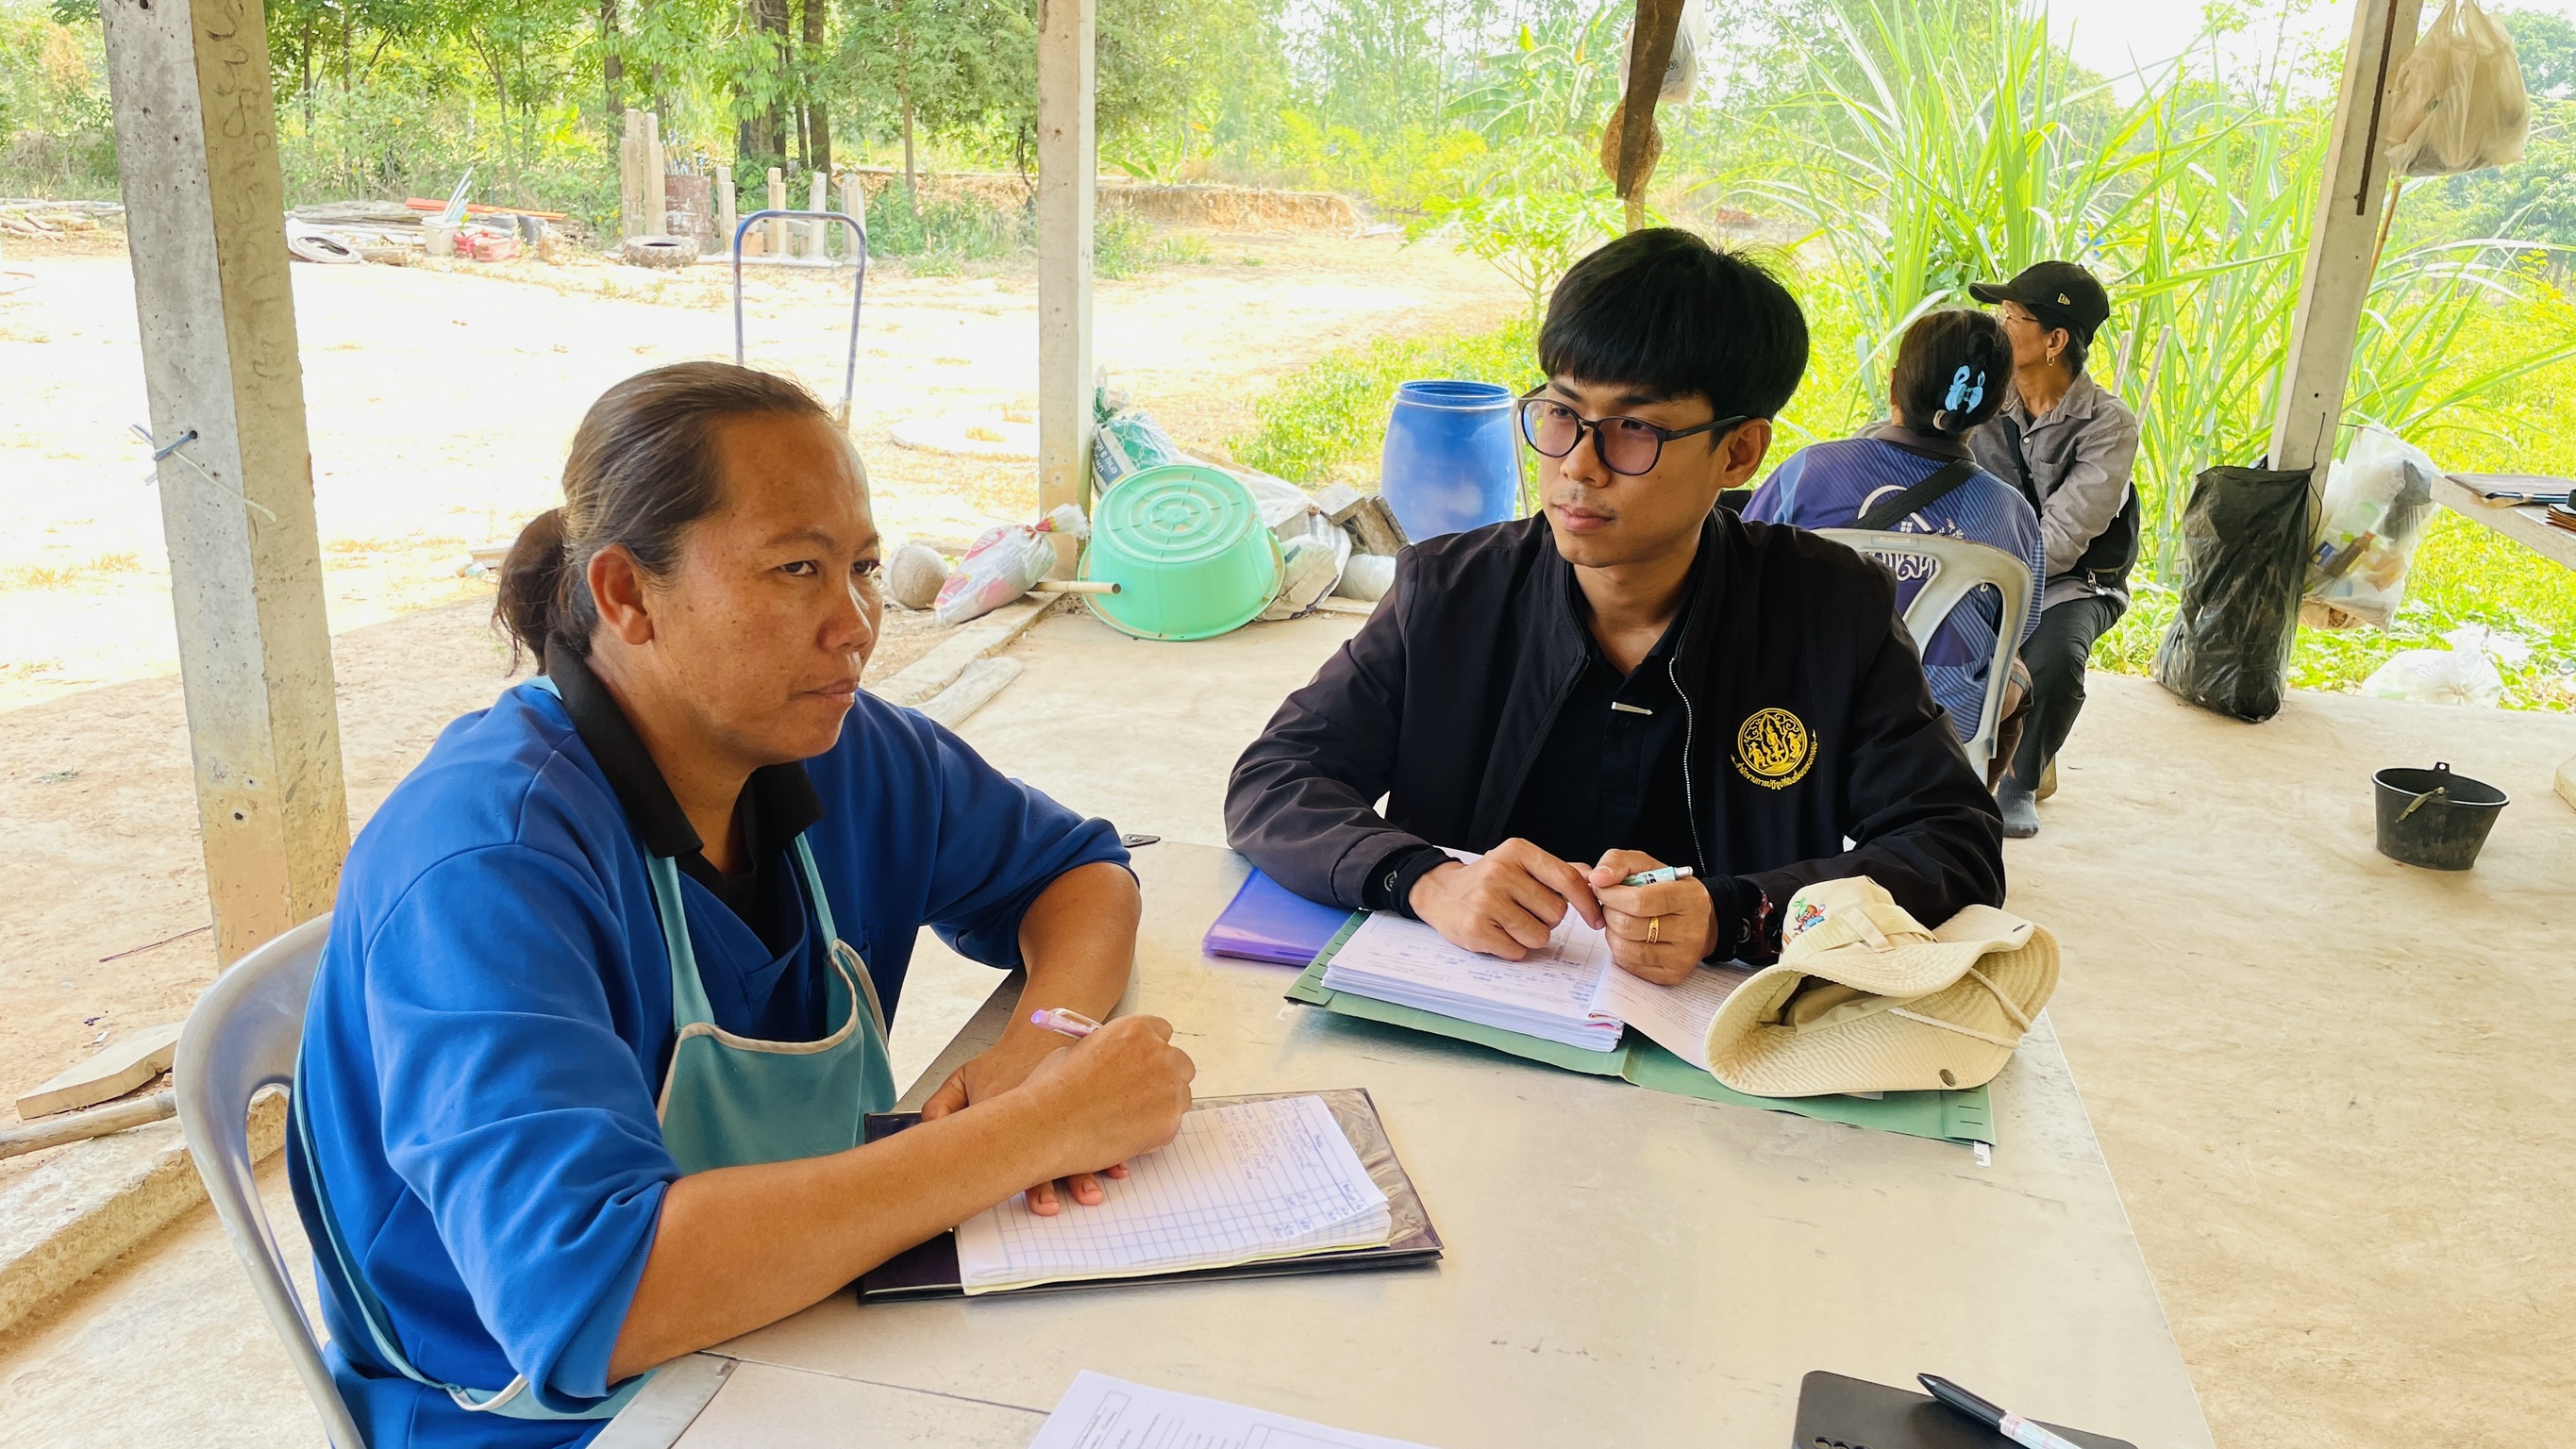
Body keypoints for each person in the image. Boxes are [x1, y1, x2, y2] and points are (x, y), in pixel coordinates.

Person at [291, 362, 1197, 1448]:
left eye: (861, 565)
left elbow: (1079, 873)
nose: (857, 624)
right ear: (627, 595)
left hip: (808, 1325)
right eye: (795, 569)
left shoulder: (834, 748)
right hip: (563, 1419)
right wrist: (1029, 1133)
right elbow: (588, 1300)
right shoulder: (489, 863)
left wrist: (1049, 1040)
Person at [1226, 228, 2003, 983]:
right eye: (1562, 414)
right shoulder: (1451, 592)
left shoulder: (1827, 612)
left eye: (1634, 429)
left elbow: (1951, 844)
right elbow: (1276, 780)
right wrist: (1425, 880)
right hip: (1477, 1021)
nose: (1579, 466)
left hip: (1722, 1053)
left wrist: (1735, 914)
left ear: (1738, 452)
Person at [1743, 308, 2044, 782]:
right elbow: (2018, 627)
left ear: (1893, 383)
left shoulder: (1807, 473)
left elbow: (1737, 574)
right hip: (1940, 726)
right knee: (2017, 673)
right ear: (1995, 405)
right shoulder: (2013, 514)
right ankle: (1968, 810)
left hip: (1796, 713)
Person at [1965, 260, 2142, 838]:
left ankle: (2020, 777)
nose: (1998, 326)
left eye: (2011, 317)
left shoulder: (2108, 424)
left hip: (2072, 578)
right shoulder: (1983, 398)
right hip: (1985, 562)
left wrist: (1997, 588)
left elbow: (2064, 538)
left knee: (2055, 658)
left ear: (2054, 341)